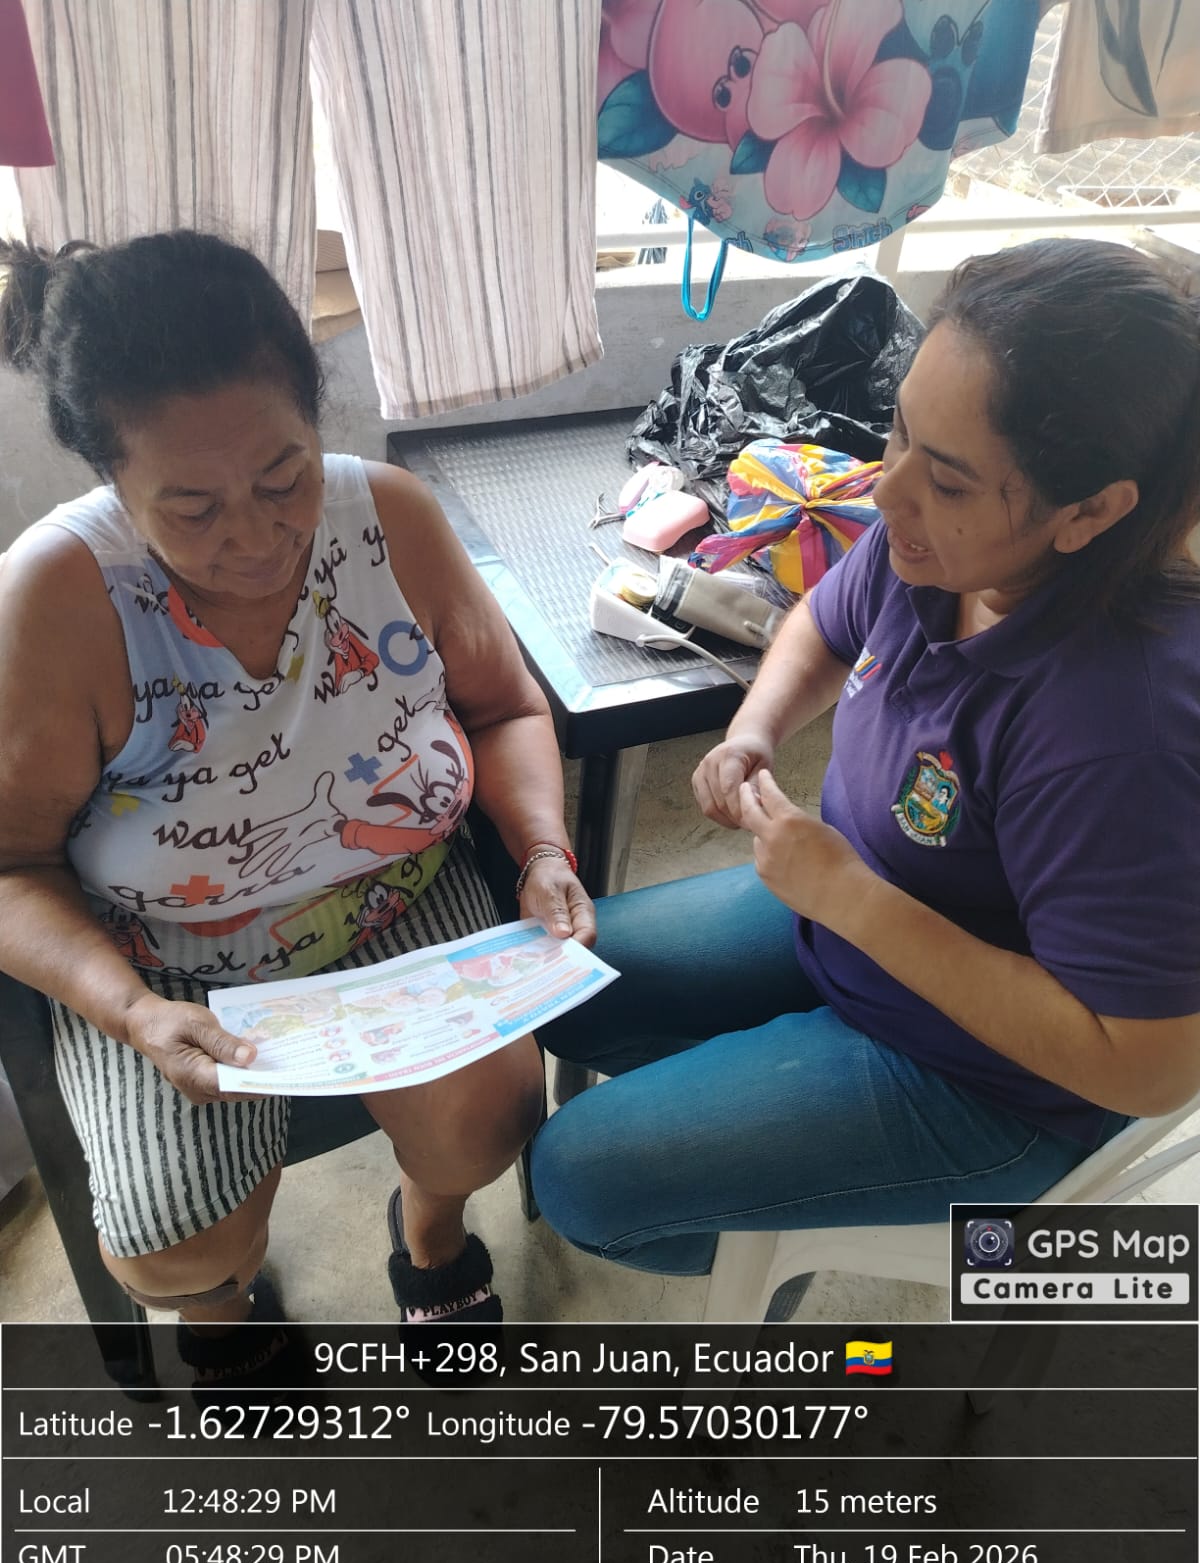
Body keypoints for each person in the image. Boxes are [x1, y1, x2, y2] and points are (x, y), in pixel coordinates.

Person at [531, 237, 1200, 1287]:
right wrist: (754, 729)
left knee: (581, 1176)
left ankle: (805, 1210)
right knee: (554, 983)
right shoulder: (939, 546)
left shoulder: (1122, 738)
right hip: (851, 914)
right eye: (900, 430)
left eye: (948, 480)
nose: (887, 492)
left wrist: (852, 900)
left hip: (992, 1082)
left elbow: (1149, 1067)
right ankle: (779, 1092)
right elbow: (822, 623)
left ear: (1090, 512)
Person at [0, 231, 594, 1386]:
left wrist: (541, 852)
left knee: (489, 1116)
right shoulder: (61, 596)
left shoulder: (390, 520)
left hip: (391, 899)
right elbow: (11, 862)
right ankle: (225, 1311)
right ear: (113, 482)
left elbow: (506, 706)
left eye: (285, 477)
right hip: (169, 956)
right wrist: (128, 1010)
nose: (259, 535)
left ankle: (429, 1234)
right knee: (174, 1239)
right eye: (192, 507)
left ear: (316, 420)